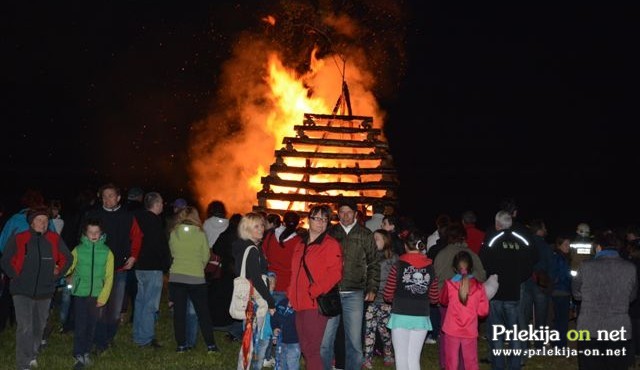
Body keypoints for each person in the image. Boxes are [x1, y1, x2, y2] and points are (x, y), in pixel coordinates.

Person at [1, 206, 72, 370]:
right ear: (31, 222)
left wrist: (57, 275)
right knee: (24, 326)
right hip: (21, 290)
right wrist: (15, 275)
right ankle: (23, 363)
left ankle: (32, 354)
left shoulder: (54, 239)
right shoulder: (19, 238)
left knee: (39, 326)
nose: (43, 223)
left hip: (45, 291)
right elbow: (5, 259)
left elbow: (67, 258)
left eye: (46, 221)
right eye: (39, 220)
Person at [83, 183, 143, 353]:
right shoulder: (94, 216)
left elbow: (137, 237)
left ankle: (108, 337)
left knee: (115, 310)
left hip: (119, 269)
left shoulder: (127, 217)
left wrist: (133, 256)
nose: (107, 199)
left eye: (111, 196)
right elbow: (83, 239)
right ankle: (99, 342)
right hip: (98, 269)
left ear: (118, 198)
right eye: (104, 196)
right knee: (99, 306)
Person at [323, 199, 379, 370]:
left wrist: (372, 288)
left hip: (355, 292)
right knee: (326, 340)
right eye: (342, 212)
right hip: (331, 292)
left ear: (355, 214)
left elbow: (374, 263)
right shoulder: (330, 233)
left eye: (349, 212)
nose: (345, 215)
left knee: (354, 341)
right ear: (337, 214)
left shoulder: (365, 234)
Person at [288, 204, 342, 370]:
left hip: (315, 303)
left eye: (325, 219)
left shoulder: (330, 244)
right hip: (298, 303)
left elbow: (336, 273)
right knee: (305, 347)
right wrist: (290, 294)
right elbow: (294, 271)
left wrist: (315, 291)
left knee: (311, 348)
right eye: (317, 218)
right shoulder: (300, 244)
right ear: (308, 220)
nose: (321, 222)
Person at [479, 210, 535, 370]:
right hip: (513, 293)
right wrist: (517, 279)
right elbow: (530, 263)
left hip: (495, 293)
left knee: (497, 333)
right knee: (515, 333)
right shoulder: (521, 240)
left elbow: (483, 262)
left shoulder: (492, 240)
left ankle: (498, 366)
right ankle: (515, 365)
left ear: (498, 224)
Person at [573, 230, 636, 370]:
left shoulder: (585, 266)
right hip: (618, 328)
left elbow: (576, 294)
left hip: (589, 327)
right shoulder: (630, 268)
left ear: (599, 247)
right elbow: (632, 297)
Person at [383, 229, 439, 370]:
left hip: (400, 314)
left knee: (401, 357)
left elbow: (387, 294)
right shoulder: (431, 268)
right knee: (414, 358)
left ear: (406, 246)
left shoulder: (398, 266)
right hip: (421, 317)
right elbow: (434, 298)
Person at [433, 221, 486, 369]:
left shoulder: (441, 254)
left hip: (447, 302)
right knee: (467, 343)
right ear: (463, 237)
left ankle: (447, 364)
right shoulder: (472, 255)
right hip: (470, 303)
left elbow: (435, 277)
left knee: (447, 337)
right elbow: (481, 276)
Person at [168, 206, 219, 353]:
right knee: (203, 313)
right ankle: (211, 345)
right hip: (196, 278)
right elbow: (206, 256)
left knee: (179, 314)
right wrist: (198, 267)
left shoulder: (174, 233)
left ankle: (181, 345)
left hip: (177, 277)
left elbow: (172, 253)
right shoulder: (200, 234)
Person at [66, 218, 114, 370]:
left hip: (96, 295)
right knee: (81, 324)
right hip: (80, 293)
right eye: (90, 232)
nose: (93, 235)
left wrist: (103, 296)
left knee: (92, 325)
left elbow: (109, 277)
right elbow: (69, 266)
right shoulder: (78, 250)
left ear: (101, 233)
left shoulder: (107, 252)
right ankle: (78, 354)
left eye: (96, 232)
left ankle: (86, 352)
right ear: (85, 234)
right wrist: (61, 270)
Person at [232, 212, 276, 370]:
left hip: (250, 298)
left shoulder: (244, 246)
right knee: (257, 339)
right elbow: (256, 279)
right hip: (256, 300)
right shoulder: (252, 249)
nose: (261, 229)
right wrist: (271, 302)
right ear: (247, 229)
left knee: (250, 337)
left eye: (262, 225)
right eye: (256, 226)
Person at [132, 192, 172, 348]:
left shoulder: (138, 219)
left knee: (140, 301)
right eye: (161, 202)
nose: (163, 205)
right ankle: (145, 338)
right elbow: (159, 246)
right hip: (153, 267)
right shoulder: (155, 222)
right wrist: (165, 265)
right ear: (156, 204)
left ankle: (138, 334)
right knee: (150, 304)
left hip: (140, 266)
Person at [439, 250, 489, 370]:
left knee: (451, 361)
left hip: (451, 329)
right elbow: (483, 312)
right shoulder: (478, 287)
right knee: (471, 362)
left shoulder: (449, 284)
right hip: (470, 330)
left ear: (454, 268)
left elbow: (443, 301)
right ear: (472, 267)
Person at [362, 229, 397, 369]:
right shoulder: (369, 257)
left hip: (386, 300)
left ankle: (388, 353)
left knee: (383, 329)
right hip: (371, 299)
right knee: (369, 329)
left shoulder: (394, 258)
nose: (373, 241)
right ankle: (368, 359)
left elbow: (396, 280)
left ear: (385, 241)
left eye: (376, 238)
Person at [519, 219, 552, 351]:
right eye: (544, 228)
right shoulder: (545, 246)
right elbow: (550, 265)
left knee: (525, 316)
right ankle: (538, 345)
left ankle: (525, 344)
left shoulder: (525, 243)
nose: (546, 230)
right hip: (540, 282)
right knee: (541, 316)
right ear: (539, 229)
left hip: (526, 282)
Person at [263, 211, 303, 303]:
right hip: (287, 285)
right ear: (297, 225)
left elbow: (263, 254)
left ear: (283, 222)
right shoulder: (298, 242)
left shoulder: (270, 236)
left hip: (268, 282)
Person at [549, 234, 572, 348]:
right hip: (562, 291)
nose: (568, 247)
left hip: (557, 291)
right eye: (566, 244)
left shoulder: (558, 257)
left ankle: (556, 342)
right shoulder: (560, 258)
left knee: (558, 319)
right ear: (559, 246)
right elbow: (563, 276)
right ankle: (561, 344)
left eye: (569, 244)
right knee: (562, 320)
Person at [270, 294, 301, 370]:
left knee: (292, 364)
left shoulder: (299, 308)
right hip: (281, 341)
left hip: (294, 342)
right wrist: (275, 328)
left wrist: (275, 314)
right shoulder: (282, 303)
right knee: (281, 363)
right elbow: (274, 318)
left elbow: (288, 322)